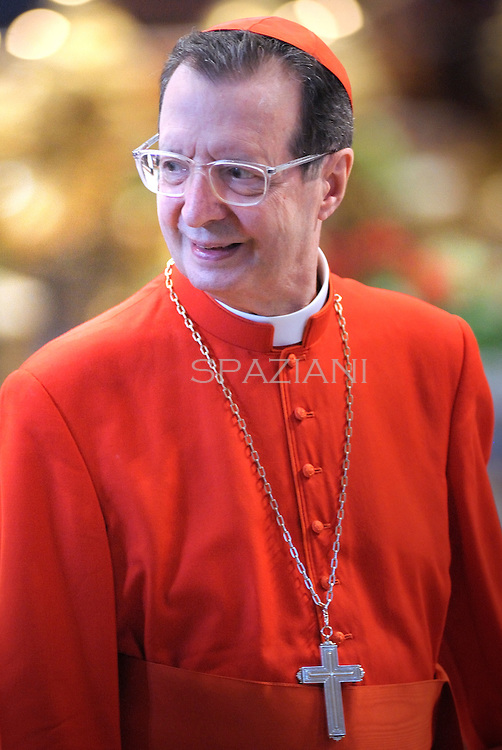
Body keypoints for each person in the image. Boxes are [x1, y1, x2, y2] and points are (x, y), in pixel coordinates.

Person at [0, 15, 501, 750]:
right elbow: (48, 705)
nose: (195, 211)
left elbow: (479, 648)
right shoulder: (61, 397)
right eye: (172, 164)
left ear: (329, 181)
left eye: (239, 173)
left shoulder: (435, 355)